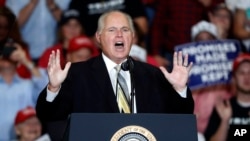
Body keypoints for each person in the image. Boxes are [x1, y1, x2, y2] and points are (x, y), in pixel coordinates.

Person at [36, 10, 194, 139]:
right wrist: (53, 87)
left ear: (132, 37)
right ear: (99, 37)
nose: (119, 35)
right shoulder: (77, 74)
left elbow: (180, 118)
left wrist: (180, 90)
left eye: (125, 30)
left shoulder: (153, 74)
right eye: (112, 30)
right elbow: (48, 114)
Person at [6, 0, 71, 62]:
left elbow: (69, 25)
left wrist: (52, 5)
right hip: (24, 55)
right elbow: (12, 26)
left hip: (55, 55)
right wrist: (32, 3)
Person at [204, 53, 250, 141]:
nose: (247, 77)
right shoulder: (223, 107)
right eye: (242, 73)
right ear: (234, 78)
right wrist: (225, 121)